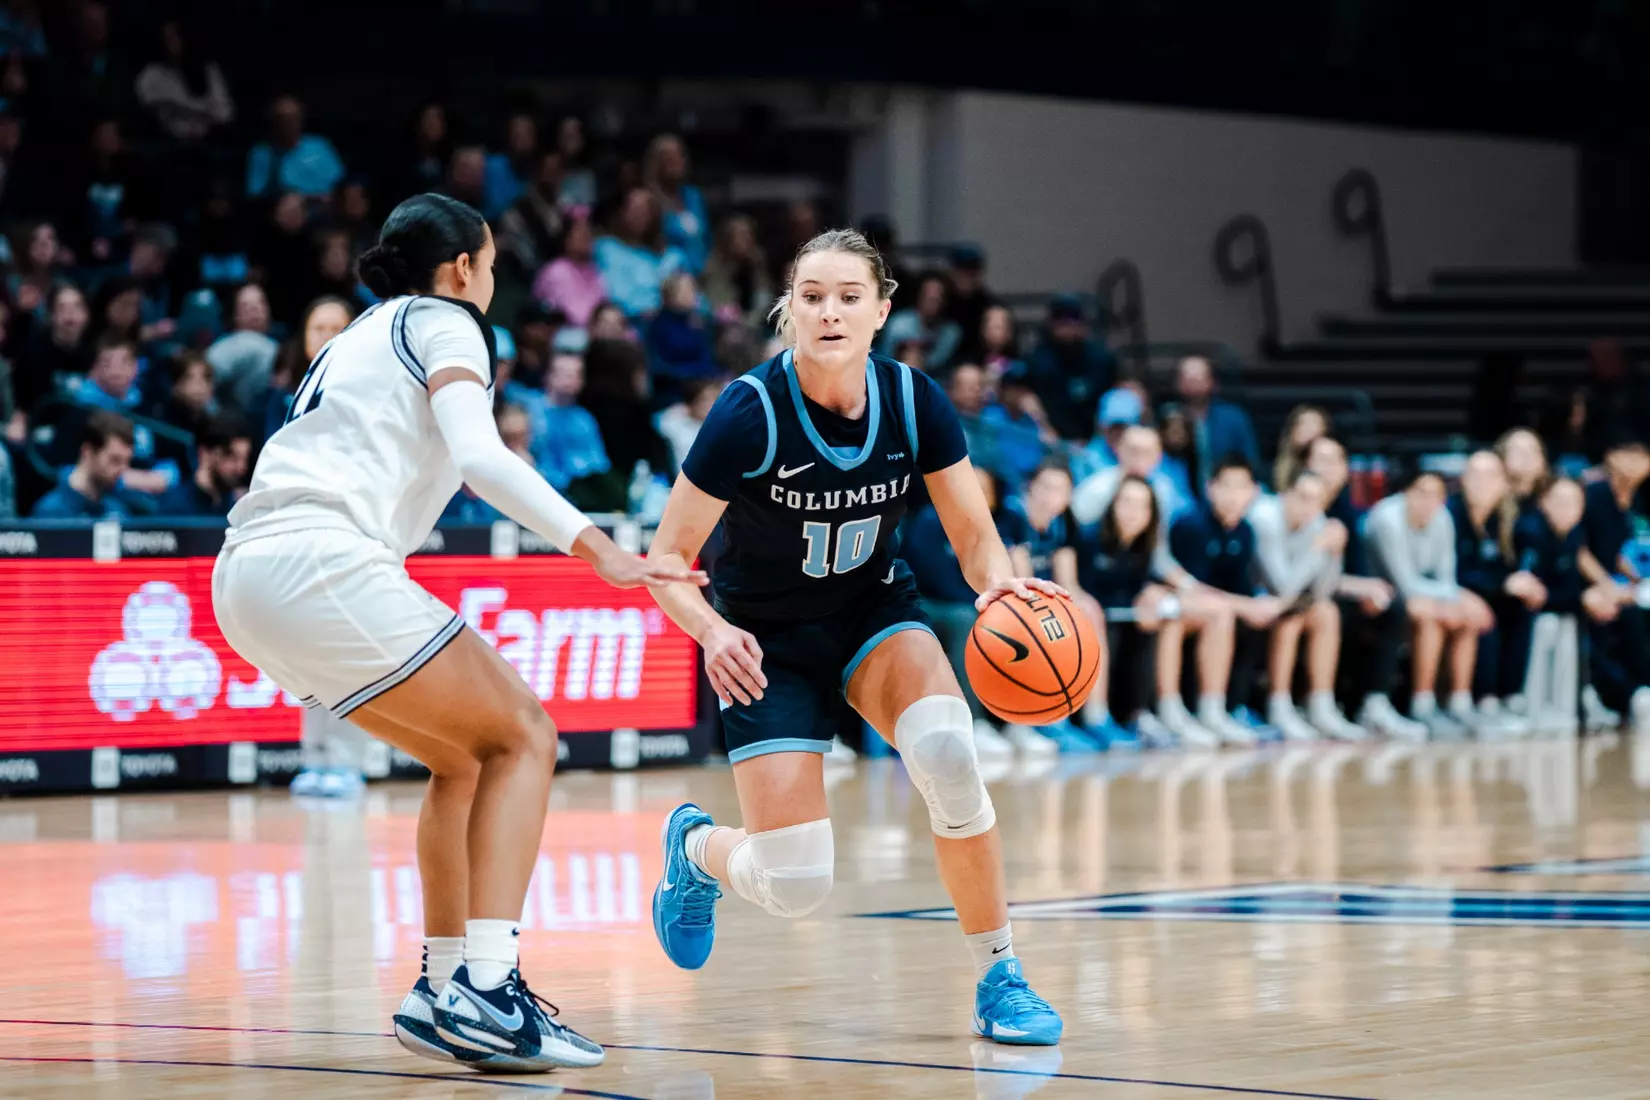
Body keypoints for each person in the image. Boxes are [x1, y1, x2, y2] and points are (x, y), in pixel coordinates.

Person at [211, 193, 704, 1072]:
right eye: (490, 262)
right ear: (464, 269)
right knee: (527, 734)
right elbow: (480, 458)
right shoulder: (447, 320)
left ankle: (443, 989)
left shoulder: (359, 332)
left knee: (465, 759)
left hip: (247, 574)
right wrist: (602, 551)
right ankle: (491, 984)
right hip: (319, 559)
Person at [643, 228, 1064, 1045]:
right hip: (766, 640)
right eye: (811, 297)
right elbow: (666, 558)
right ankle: (696, 850)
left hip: (875, 612)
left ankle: (1001, 974)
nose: (829, 313)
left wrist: (1000, 585)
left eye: (847, 297)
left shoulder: (914, 401)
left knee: (947, 750)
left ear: (881, 309)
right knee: (794, 883)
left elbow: (975, 537)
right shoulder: (748, 412)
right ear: (788, 311)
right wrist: (711, 630)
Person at [1301, 435, 1426, 739]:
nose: (1329, 469)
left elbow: (1354, 571)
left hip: (1334, 592)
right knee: (1329, 614)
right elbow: (1300, 578)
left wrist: (1367, 588)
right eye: (1322, 460)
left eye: (1336, 461)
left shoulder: (1347, 510)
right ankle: (1318, 704)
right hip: (1301, 595)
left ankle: (1375, 704)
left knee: (1390, 606)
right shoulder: (1299, 504)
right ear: (1305, 465)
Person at [1365, 469, 1500, 737]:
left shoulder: (1442, 518)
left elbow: (1447, 577)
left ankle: (1459, 704)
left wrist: (1458, 600)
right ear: (1406, 492)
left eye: (1436, 495)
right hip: (1383, 599)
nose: (1428, 502)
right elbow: (1404, 584)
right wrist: (1450, 599)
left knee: (1464, 616)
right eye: (1422, 493)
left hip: (1423, 596)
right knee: (1430, 616)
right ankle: (1422, 705)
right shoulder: (1386, 520)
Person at [902, 464, 1019, 758]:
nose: (975, 494)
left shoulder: (1002, 525)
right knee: (966, 620)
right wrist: (986, 604)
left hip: (976, 604)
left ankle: (1020, 720)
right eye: (969, 487)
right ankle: (976, 723)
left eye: (983, 489)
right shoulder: (931, 519)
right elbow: (935, 582)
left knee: (1019, 623)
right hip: (930, 605)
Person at [1246, 470, 1368, 741]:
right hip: (1250, 597)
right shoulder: (1265, 519)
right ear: (1285, 495)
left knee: (1327, 612)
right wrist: (1318, 549)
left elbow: (1324, 589)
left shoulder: (1318, 522)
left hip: (1284, 602)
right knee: (1292, 617)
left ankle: (1321, 706)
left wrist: (1335, 552)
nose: (1307, 506)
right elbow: (1283, 587)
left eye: (1316, 500)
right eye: (1301, 497)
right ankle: (1278, 706)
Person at [997, 460, 1109, 752]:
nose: (1051, 495)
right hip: (1008, 601)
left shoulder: (1061, 524)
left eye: (1060, 489)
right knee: (1042, 625)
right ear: (1030, 488)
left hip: (1044, 599)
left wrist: (1080, 605)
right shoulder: (1013, 516)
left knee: (1090, 611)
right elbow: (1021, 578)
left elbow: (1069, 581)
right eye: (1045, 487)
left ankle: (1096, 716)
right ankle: (1030, 722)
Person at [1168, 458, 1283, 738]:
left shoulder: (1245, 531)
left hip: (1220, 607)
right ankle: (1205, 709)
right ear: (1210, 488)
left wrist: (1258, 603)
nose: (1233, 496)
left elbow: (1241, 586)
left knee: (1262, 617)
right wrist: (1245, 605)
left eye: (1241, 487)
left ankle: (1240, 707)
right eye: (1226, 486)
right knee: (1227, 615)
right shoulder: (1191, 525)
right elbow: (1193, 587)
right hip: (1178, 603)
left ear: (1254, 492)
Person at [1450, 450, 1544, 724]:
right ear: (1463, 480)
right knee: (1484, 617)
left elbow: (1517, 561)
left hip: (1491, 592)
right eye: (1475, 474)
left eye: (1490, 475)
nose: (1482, 482)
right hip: (1456, 591)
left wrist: (1526, 581)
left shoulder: (1505, 518)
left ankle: (1510, 696)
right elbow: (1455, 571)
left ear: (1503, 482)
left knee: (1521, 607)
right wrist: (1503, 584)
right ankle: (1485, 699)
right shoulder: (1452, 514)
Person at [1578, 430, 1650, 732]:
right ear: (1611, 457)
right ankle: (1633, 693)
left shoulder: (1642, 500)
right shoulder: (1593, 495)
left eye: (1642, 457)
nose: (1635, 464)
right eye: (1628, 455)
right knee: (1623, 617)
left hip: (1637, 585)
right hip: (1597, 583)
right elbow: (1578, 549)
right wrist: (1608, 584)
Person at [1515, 477, 1590, 732]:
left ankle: (1570, 704)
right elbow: (1529, 589)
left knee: (1570, 622)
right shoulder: (1530, 532)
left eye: (1574, 502)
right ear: (1543, 503)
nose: (1567, 508)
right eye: (1560, 501)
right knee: (1547, 623)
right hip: (1521, 612)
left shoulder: (1574, 535)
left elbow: (1566, 590)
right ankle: (1527, 703)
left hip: (1559, 608)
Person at [1024, 294, 1115, 441]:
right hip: (1053, 439)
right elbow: (1024, 396)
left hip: (1096, 438)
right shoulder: (1037, 360)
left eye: (1073, 319)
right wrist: (1044, 427)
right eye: (1061, 320)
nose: (1067, 326)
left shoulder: (1101, 358)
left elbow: (1115, 391)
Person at [594, 186, 689, 318]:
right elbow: (615, 294)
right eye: (633, 210)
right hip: (628, 323)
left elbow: (690, 298)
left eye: (645, 211)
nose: (638, 216)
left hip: (666, 320)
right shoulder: (606, 248)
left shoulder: (666, 256)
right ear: (622, 212)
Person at [134, 20, 234, 145]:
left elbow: (225, 113)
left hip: (209, 143)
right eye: (166, 38)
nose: (170, 43)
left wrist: (191, 113)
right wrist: (200, 112)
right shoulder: (150, 75)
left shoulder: (207, 69)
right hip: (169, 145)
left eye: (175, 36)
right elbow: (155, 111)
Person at [30, 410, 134, 520]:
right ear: (88, 452)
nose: (123, 469)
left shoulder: (118, 511)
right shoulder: (51, 512)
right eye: (114, 460)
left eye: (127, 461)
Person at [1174, 356, 1259, 488]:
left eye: (1199, 377)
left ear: (1212, 382)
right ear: (1178, 383)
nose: (1193, 383)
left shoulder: (1234, 417)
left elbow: (1249, 461)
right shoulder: (1168, 418)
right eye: (1187, 378)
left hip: (1229, 491)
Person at [246, 94, 345, 199]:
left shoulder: (319, 145)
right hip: (287, 206)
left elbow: (340, 182)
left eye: (294, 118)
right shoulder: (261, 153)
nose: (289, 123)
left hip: (325, 204)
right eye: (284, 119)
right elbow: (256, 194)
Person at [154, 414, 249, 517]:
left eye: (245, 458)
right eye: (231, 456)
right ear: (204, 453)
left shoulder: (237, 508)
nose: (242, 467)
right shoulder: (174, 508)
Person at [208, 283, 280, 415]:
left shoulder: (280, 346)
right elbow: (204, 385)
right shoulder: (224, 349)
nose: (254, 310)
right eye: (245, 306)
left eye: (260, 303)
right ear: (234, 314)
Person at [645, 134, 710, 273]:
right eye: (668, 157)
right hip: (668, 278)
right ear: (656, 163)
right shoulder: (650, 200)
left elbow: (706, 239)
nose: (675, 161)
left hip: (701, 278)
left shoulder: (693, 196)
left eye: (679, 155)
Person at [701, 214, 773, 328]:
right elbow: (715, 303)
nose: (742, 240)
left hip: (755, 326)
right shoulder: (714, 267)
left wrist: (749, 321)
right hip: (723, 325)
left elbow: (763, 301)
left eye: (746, 235)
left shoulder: (757, 264)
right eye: (738, 235)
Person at [880, 272, 961, 371]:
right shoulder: (899, 324)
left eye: (937, 299)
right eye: (929, 298)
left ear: (945, 301)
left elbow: (939, 364)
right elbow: (886, 356)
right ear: (919, 297)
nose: (933, 303)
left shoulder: (951, 332)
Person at [1273, 404, 1330, 491]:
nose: (1309, 430)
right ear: (1292, 430)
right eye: (1303, 424)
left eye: (1315, 424)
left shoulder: (1332, 467)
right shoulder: (1275, 468)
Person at [1497, 427, 1550, 511]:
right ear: (1502, 458)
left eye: (1533, 450)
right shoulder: (1492, 501)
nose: (1527, 456)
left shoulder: (1550, 501)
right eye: (1518, 451)